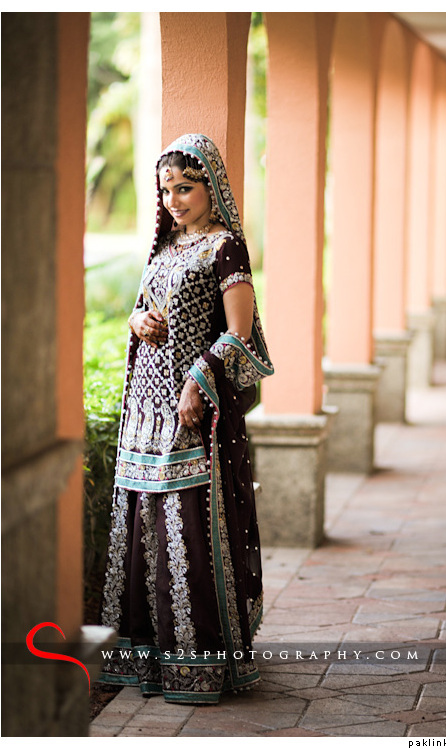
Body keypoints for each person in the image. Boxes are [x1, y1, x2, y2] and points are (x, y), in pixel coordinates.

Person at [99, 133, 274, 704]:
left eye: (185, 188)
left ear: (211, 188)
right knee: (144, 529)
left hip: (192, 412)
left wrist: (199, 379)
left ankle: (198, 666)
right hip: (145, 415)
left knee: (191, 530)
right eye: (166, 189)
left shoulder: (225, 247)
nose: (173, 200)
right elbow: (147, 309)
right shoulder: (167, 245)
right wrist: (135, 321)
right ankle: (148, 662)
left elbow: (238, 333)